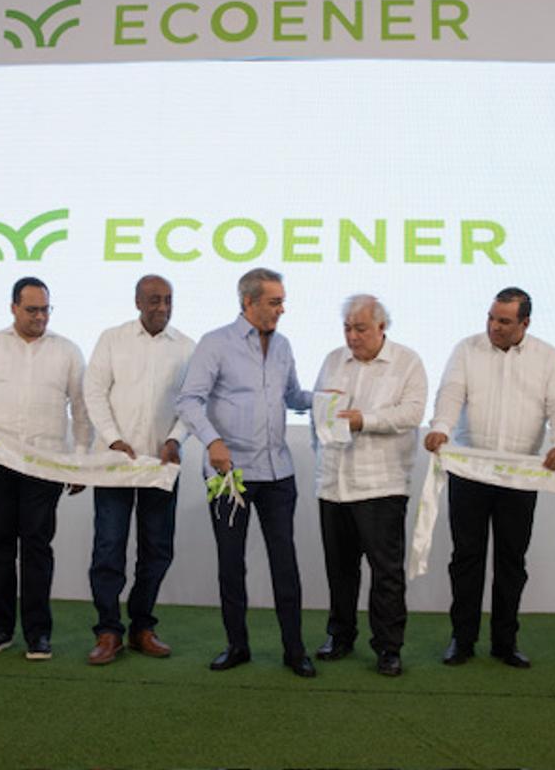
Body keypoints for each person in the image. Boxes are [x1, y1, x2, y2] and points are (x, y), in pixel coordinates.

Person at [425, 287, 555, 669]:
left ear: (525, 323)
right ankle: (462, 639)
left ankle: (505, 642)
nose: (494, 326)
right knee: (466, 558)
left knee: (512, 560)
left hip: (519, 476)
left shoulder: (548, 358)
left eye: (504, 321)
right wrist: (441, 427)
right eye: (491, 318)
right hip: (470, 470)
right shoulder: (466, 349)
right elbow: (450, 394)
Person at [176, 267, 316, 678]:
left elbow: (293, 396)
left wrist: (328, 400)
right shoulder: (214, 344)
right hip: (229, 474)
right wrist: (212, 441)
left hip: (278, 474)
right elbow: (189, 401)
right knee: (231, 563)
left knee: (285, 564)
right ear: (248, 302)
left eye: (282, 301)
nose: (282, 310)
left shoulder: (285, 345)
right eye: (275, 302)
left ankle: (295, 650)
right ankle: (237, 645)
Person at [0, 277, 90, 661]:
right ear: (13, 308)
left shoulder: (67, 351)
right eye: (32, 309)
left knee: (36, 545)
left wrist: (79, 459)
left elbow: (81, 408)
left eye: (45, 309)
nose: (40, 317)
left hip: (45, 462)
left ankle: (38, 633)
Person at [311, 295, 427, 676]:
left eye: (360, 328)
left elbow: (412, 414)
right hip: (334, 484)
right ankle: (340, 636)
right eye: (347, 328)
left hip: (381, 485)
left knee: (386, 573)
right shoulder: (332, 360)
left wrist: (365, 420)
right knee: (339, 569)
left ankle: (388, 647)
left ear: (382, 327)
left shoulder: (407, 362)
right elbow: (319, 410)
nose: (352, 336)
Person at [82, 275, 195, 665]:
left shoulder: (186, 347)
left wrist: (176, 439)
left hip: (160, 466)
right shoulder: (112, 338)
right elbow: (93, 391)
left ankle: (142, 626)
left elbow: (193, 403)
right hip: (116, 463)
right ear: (136, 302)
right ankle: (109, 631)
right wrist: (113, 439)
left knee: (157, 550)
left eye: (168, 300)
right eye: (153, 300)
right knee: (108, 548)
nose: (161, 308)